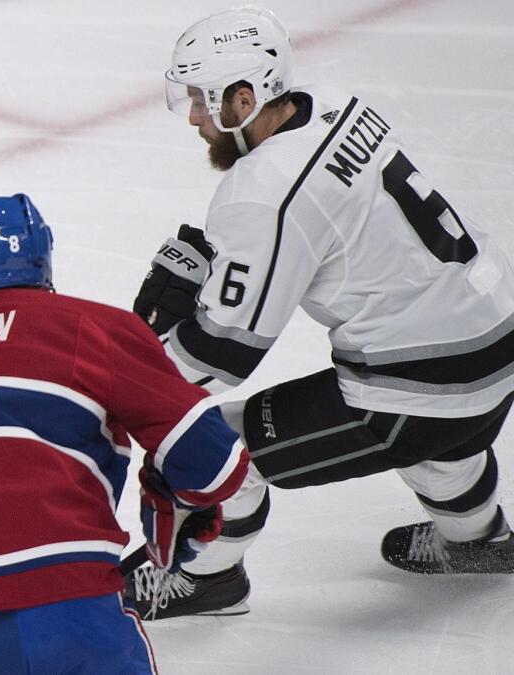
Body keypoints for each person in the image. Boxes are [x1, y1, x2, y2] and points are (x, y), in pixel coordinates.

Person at [127, 6, 514, 620]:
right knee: (442, 438)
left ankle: (206, 580)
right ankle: (479, 541)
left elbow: (223, 357)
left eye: (204, 101)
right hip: (495, 337)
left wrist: (129, 370)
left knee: (219, 442)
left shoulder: (262, 191)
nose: (196, 118)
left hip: (428, 382)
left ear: (246, 98)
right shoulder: (331, 101)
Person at [0, 194, 249, 673]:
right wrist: (175, 496)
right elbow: (215, 467)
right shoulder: (88, 325)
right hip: (54, 589)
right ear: (45, 259)